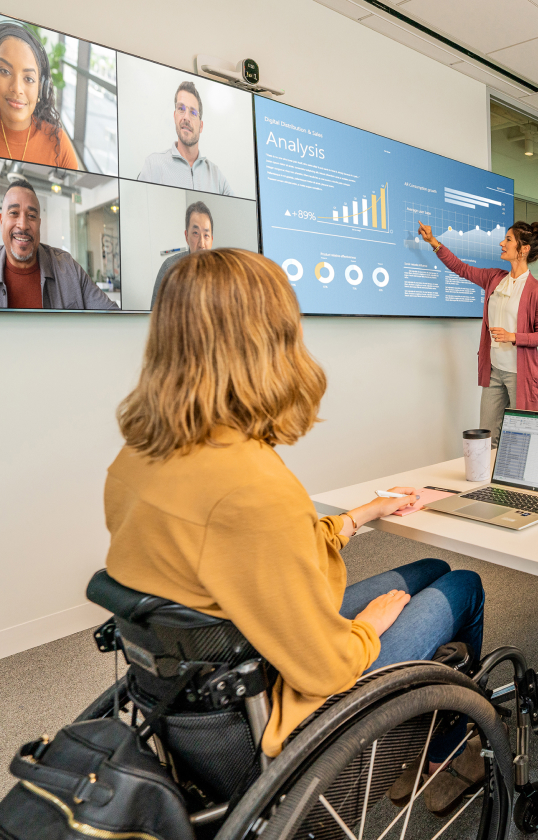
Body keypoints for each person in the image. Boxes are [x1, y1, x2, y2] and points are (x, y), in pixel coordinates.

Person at [104, 248, 485, 812]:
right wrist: (369, 628)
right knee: (462, 586)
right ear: (266, 340)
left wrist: (357, 516)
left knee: (428, 568)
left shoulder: (135, 459)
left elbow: (244, 555)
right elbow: (325, 666)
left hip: (204, 683)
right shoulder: (251, 485)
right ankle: (445, 756)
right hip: (279, 698)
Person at [417, 220, 538, 447]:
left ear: (524, 249)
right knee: (487, 439)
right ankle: (489, 482)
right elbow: (461, 268)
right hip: (494, 372)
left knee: (520, 439)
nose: (502, 243)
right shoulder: (494, 278)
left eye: (508, 239)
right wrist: (433, 242)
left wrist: (514, 337)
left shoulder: (536, 289)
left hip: (521, 374)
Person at [0, 178, 116, 309]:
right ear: (1, 220)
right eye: (14, 213)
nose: (23, 225)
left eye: (31, 215)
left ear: (39, 223)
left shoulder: (68, 268)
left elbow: (112, 316)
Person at [0, 24, 78, 169]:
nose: (17, 88)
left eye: (29, 79)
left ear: (41, 90)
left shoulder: (59, 145)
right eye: (4, 71)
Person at [137, 81, 234, 196]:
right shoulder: (153, 166)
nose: (186, 117)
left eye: (193, 112)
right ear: (174, 116)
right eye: (181, 109)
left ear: (201, 126)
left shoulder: (216, 176)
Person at [151, 201, 213, 307]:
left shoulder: (223, 272)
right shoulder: (169, 268)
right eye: (195, 233)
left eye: (206, 235)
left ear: (211, 239)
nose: (201, 244)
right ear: (186, 236)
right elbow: (154, 315)